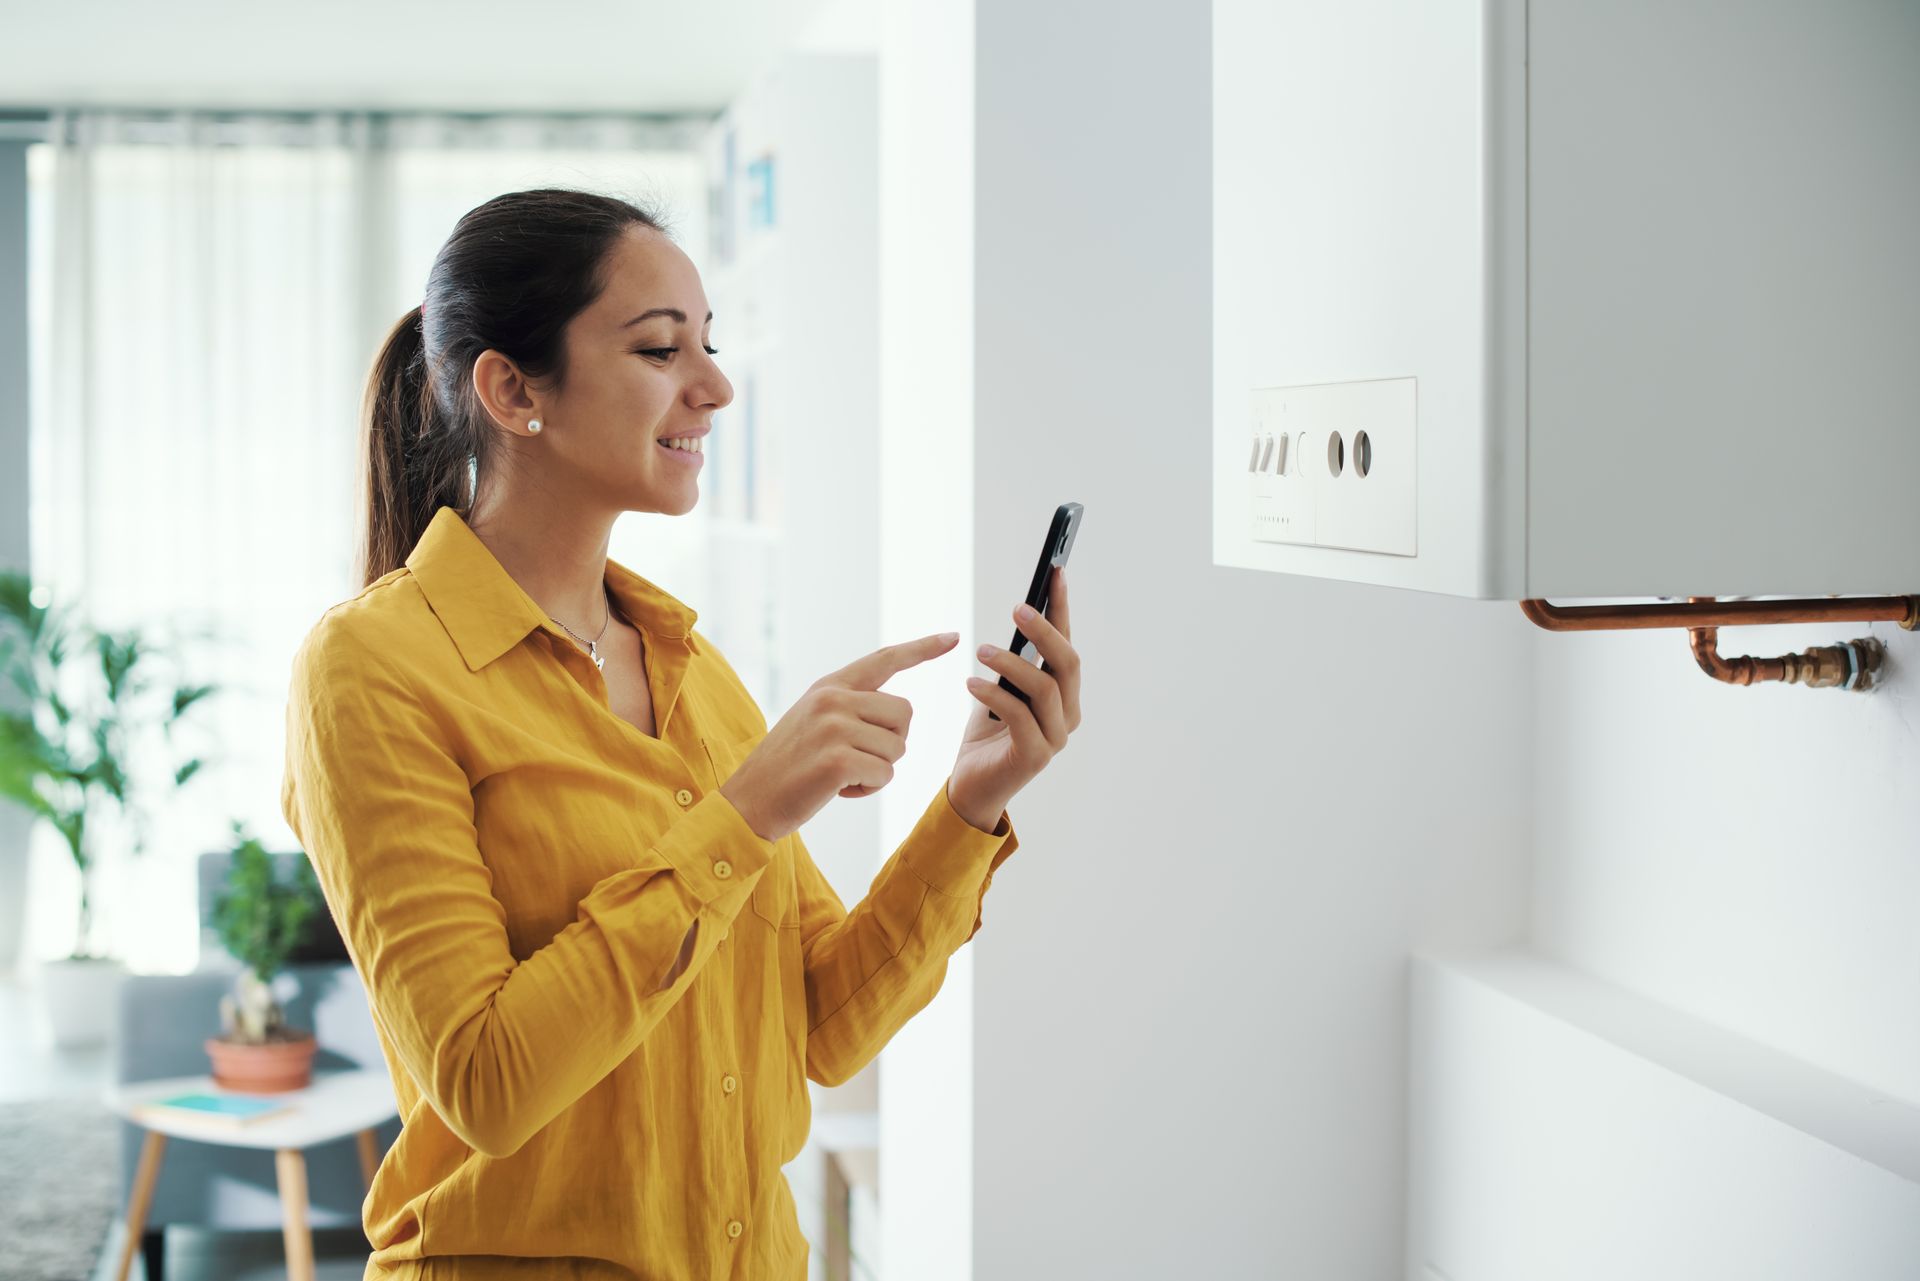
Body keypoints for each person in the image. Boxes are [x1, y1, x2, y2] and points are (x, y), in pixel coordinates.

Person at [278, 187, 1083, 1280]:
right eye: (661, 351)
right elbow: (486, 1084)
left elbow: (820, 1027)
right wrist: (742, 815)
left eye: (708, 344)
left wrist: (969, 803)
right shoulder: (371, 669)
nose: (715, 387)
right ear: (514, 389)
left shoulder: (689, 668)